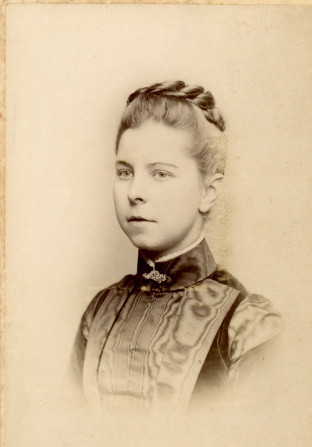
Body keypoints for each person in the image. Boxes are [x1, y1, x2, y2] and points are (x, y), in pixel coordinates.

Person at [67, 80, 283, 414]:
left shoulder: (246, 323)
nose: (135, 191)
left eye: (160, 174)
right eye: (125, 172)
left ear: (208, 191)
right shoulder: (99, 312)